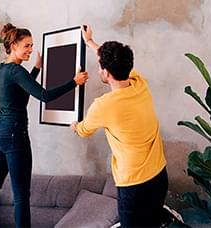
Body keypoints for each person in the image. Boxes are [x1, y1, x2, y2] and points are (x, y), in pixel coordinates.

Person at [0, 23, 88, 227]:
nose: (30, 49)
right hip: (14, 134)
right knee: (21, 194)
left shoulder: (3, 69)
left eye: (32, 45)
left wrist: (37, 68)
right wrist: (74, 82)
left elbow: (22, 89)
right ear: (13, 45)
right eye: (27, 46)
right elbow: (44, 96)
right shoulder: (17, 71)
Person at [71, 25, 168, 227]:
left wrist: (74, 124)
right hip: (159, 176)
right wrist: (89, 41)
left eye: (100, 68)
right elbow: (115, 60)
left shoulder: (103, 106)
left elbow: (83, 130)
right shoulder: (140, 83)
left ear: (106, 73)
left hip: (133, 185)